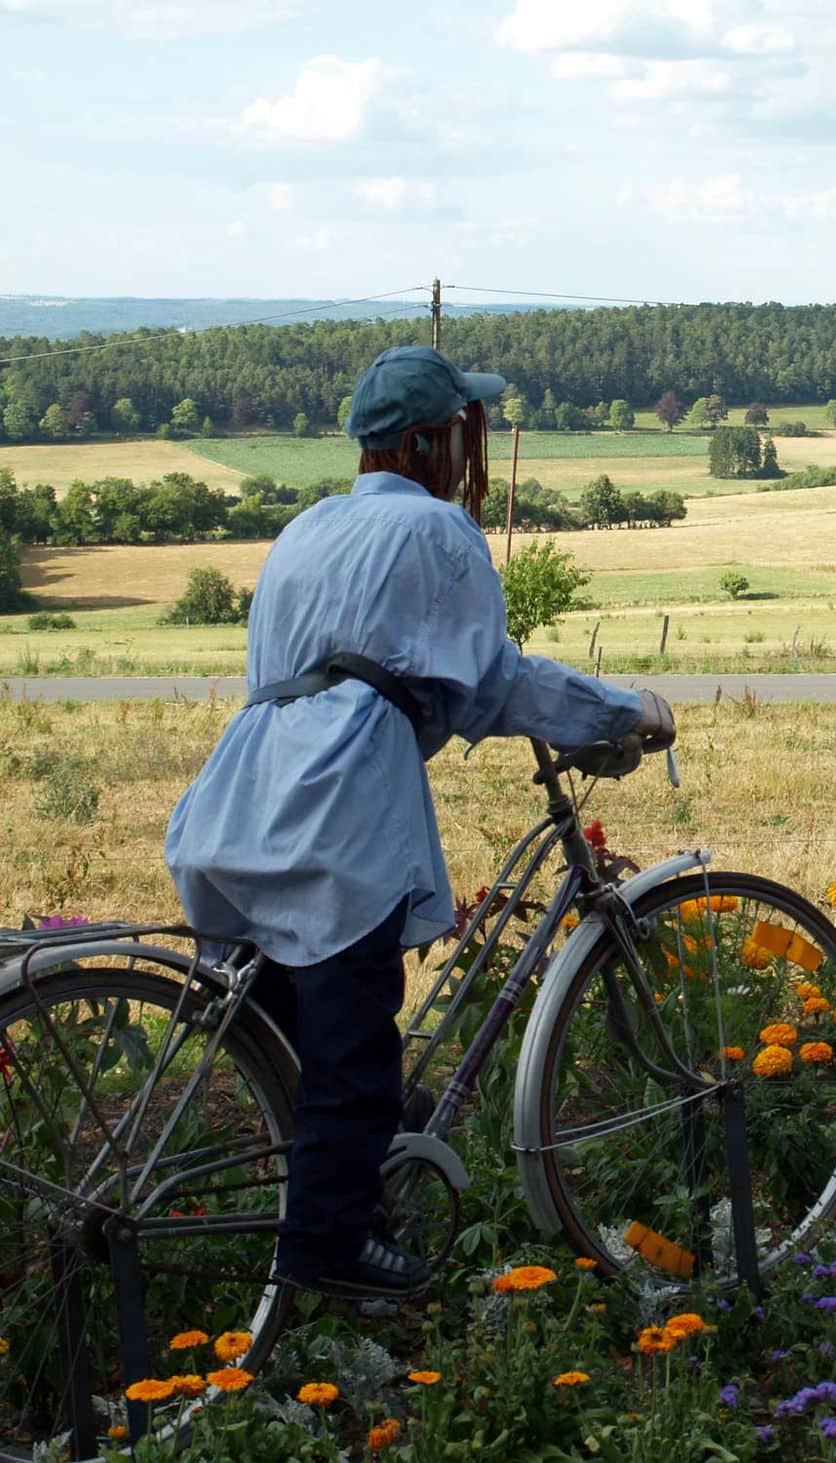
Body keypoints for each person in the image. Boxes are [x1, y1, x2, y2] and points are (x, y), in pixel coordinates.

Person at [165, 345, 675, 1300]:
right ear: (424, 443)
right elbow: (495, 683)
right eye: (457, 435)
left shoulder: (307, 530)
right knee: (355, 1061)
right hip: (336, 813)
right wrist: (622, 712)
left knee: (303, 1062)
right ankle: (327, 1254)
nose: (461, 454)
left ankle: (343, 1222)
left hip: (242, 800)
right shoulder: (438, 534)